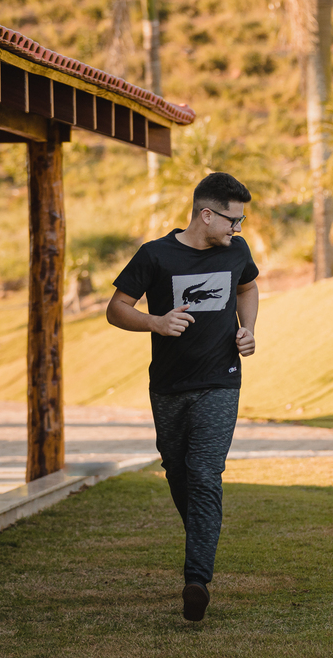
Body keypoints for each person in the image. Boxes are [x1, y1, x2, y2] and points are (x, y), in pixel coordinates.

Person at [106, 172, 259, 622]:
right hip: (169, 386)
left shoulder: (237, 251)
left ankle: (197, 579)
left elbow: (248, 288)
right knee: (177, 469)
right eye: (233, 219)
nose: (238, 227)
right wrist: (156, 322)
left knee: (205, 474)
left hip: (221, 381)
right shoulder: (155, 255)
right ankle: (202, 535)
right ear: (205, 215)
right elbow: (116, 309)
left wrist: (248, 329)